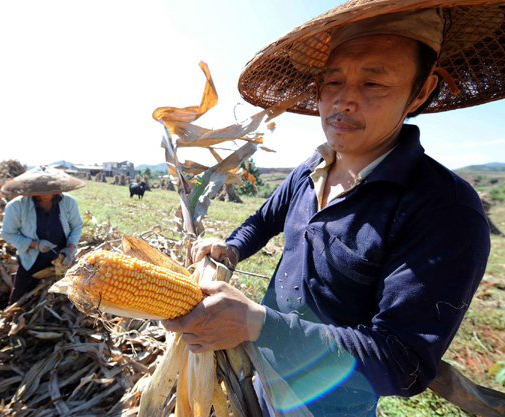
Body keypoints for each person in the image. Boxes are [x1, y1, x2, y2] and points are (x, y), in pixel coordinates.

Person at [163, 1, 503, 415]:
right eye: (332, 81)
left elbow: (402, 362)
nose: (343, 101)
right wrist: (231, 247)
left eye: (373, 84)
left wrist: (257, 324)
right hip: (259, 373)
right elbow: (264, 219)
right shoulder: (312, 168)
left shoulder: (444, 211)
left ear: (421, 90)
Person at [0, 165, 84, 304]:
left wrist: (70, 250)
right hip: (31, 259)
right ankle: (15, 315)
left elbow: (76, 227)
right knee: (20, 299)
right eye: (41, 191)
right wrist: (35, 244)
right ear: (32, 189)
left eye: (51, 191)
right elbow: (8, 233)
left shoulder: (68, 202)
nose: (46, 195)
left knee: (65, 299)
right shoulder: (17, 206)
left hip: (62, 258)